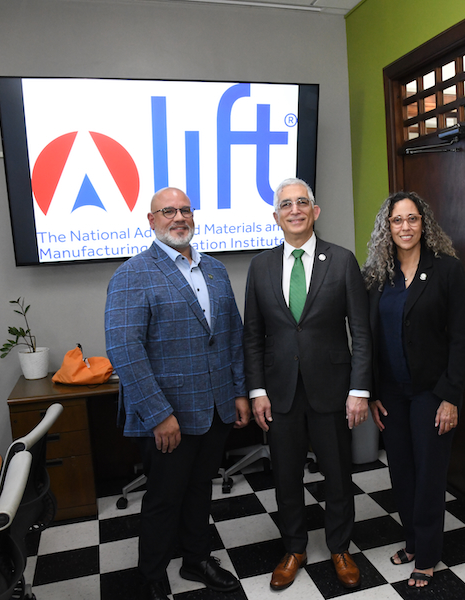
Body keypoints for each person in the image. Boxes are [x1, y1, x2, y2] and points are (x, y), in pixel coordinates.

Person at [105, 187, 251, 600]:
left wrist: (239, 393)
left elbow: (231, 336)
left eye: (185, 210)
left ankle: (196, 559)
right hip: (169, 416)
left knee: (200, 489)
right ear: (151, 221)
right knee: (164, 499)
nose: (179, 217)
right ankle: (151, 575)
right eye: (168, 211)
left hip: (216, 407)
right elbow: (125, 349)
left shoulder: (215, 270)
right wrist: (158, 415)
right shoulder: (133, 274)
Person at [243, 178, 372, 591]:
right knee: (285, 478)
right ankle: (294, 548)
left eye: (302, 202)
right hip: (279, 392)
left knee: (337, 475)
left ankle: (339, 547)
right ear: (276, 216)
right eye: (286, 204)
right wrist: (257, 390)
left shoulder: (342, 260)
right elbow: (252, 335)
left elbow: (361, 332)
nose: (294, 210)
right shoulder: (260, 266)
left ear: (315, 212)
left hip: (332, 389)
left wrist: (359, 390)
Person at [361, 191, 465, 589]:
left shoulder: (447, 270)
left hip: (432, 393)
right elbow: (369, 338)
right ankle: (412, 541)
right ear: (387, 227)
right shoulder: (376, 276)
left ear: (424, 224)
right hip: (391, 394)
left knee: (428, 475)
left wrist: (451, 397)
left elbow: (461, 338)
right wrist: (373, 392)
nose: (405, 227)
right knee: (402, 472)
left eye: (412, 219)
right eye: (397, 220)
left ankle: (426, 555)